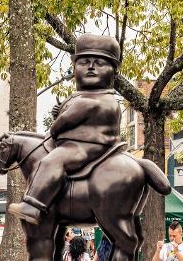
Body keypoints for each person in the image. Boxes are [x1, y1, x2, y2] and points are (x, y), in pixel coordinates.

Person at [7, 34, 122, 225]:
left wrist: (56, 125)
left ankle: (32, 206)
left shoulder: (95, 99)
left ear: (113, 71)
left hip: (87, 147)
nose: (91, 67)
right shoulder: (82, 96)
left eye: (99, 63)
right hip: (76, 143)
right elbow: (69, 116)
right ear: (75, 67)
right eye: (84, 61)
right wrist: (58, 112)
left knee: (50, 161)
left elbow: (65, 122)